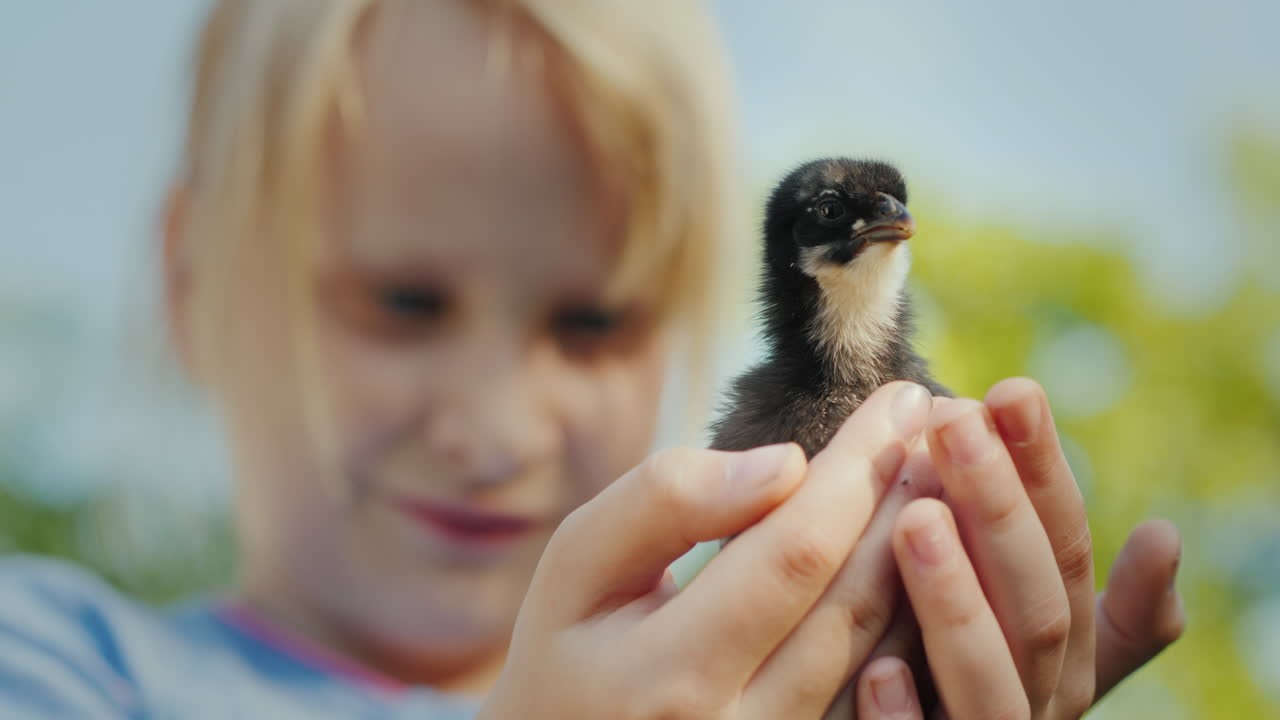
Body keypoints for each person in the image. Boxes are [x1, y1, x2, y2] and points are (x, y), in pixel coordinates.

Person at [0, 1, 1185, 717]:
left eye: (590, 323)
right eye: (403, 302)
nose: (497, 426)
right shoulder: (59, 668)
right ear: (193, 281)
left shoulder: (779, 673)